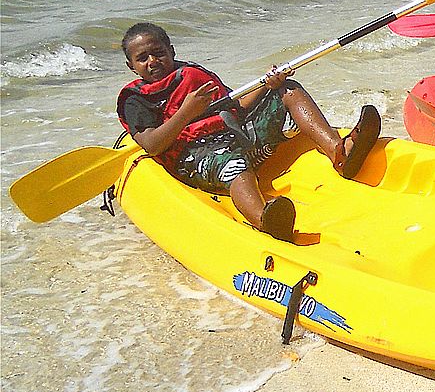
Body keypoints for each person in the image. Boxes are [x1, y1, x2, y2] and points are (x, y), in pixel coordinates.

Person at [117, 22, 381, 243]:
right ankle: (265, 219)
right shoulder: (136, 100)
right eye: (142, 58)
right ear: (132, 66)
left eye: (158, 52)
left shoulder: (191, 75)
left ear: (171, 51)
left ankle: (340, 152)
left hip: (236, 136)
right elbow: (152, 145)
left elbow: (234, 108)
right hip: (196, 157)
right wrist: (186, 112)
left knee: (288, 89)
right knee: (232, 163)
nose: (153, 61)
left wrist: (267, 84)